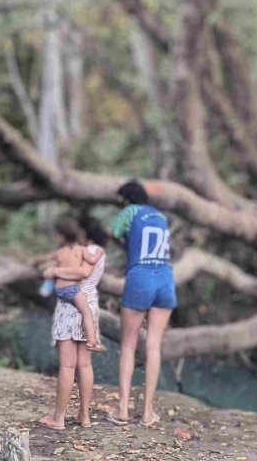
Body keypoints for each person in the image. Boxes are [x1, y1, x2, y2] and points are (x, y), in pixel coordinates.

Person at [109, 179, 176, 428]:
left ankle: (123, 410)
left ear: (126, 199)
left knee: (128, 346)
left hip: (140, 277)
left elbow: (113, 231)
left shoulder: (130, 211)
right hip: (166, 279)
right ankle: (148, 412)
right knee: (154, 346)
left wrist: (126, 242)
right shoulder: (161, 216)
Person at [38, 215, 107, 431]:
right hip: (90, 303)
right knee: (85, 364)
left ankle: (58, 418)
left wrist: (55, 271)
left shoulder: (83, 251)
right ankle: (84, 415)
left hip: (71, 306)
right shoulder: (97, 252)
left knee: (67, 365)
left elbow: (81, 272)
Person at [35, 214, 105, 352]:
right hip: (72, 290)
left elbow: (42, 259)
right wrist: (99, 253)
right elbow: (88, 266)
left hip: (60, 291)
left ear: (61, 236)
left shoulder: (59, 252)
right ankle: (93, 341)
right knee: (86, 313)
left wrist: (38, 263)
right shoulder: (81, 251)